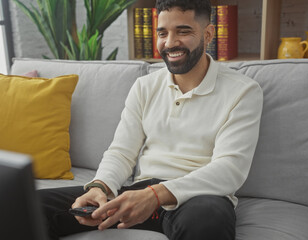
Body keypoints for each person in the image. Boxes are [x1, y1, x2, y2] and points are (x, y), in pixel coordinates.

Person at [39, 0, 263, 239]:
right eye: (162, 33)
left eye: (183, 31)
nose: (170, 43)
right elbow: (121, 152)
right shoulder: (145, 86)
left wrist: (156, 195)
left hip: (198, 196)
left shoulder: (243, 91)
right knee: (26, 204)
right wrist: (100, 186)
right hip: (140, 193)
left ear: (208, 34)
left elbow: (230, 170)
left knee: (208, 221)